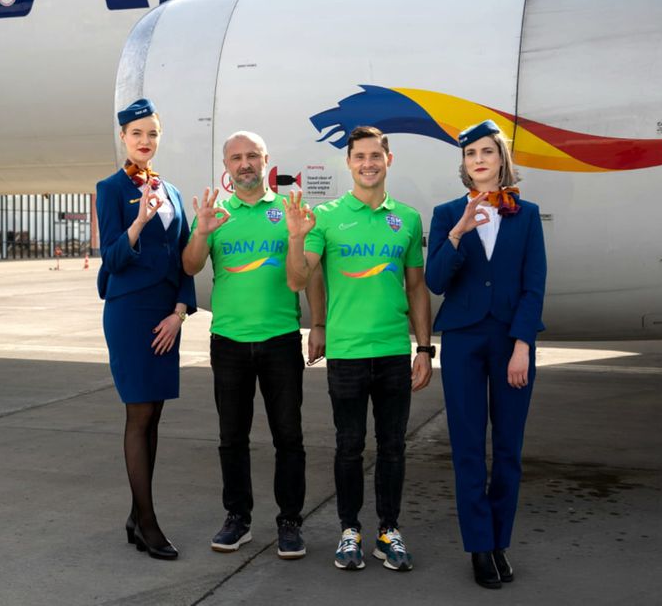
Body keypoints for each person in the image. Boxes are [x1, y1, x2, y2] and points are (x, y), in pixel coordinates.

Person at [284, 125, 432, 573]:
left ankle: (389, 531)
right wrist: (296, 237)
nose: (368, 163)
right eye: (360, 156)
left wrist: (424, 349)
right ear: (348, 163)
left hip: (392, 351)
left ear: (389, 160)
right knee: (349, 446)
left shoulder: (407, 219)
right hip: (347, 353)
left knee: (392, 447)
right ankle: (349, 531)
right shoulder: (324, 217)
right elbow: (297, 279)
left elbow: (417, 287)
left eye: (375, 155)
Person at [425, 119, 546, 590]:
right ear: (464, 163)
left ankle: (499, 542)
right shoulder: (446, 213)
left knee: (509, 449)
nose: (478, 160)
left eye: (486, 152)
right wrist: (457, 233)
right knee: (469, 448)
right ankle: (478, 545)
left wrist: (523, 345)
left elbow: (534, 285)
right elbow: (436, 281)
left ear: (501, 159)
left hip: (511, 342)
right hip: (463, 342)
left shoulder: (526, 214)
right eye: (470, 153)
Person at [182, 131, 310, 560]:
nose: (244, 164)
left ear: (265, 160)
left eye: (252, 155)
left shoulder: (288, 212)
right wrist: (201, 232)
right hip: (229, 342)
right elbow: (190, 265)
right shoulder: (216, 213)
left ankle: (290, 522)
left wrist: (296, 238)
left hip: (280, 340)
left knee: (288, 436)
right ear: (227, 166)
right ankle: (238, 518)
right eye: (236, 157)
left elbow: (300, 279)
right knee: (231, 437)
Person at [95, 97, 196, 561]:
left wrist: (180, 311)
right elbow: (112, 259)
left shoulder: (170, 191)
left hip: (165, 315)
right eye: (137, 133)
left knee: (153, 414)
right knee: (138, 414)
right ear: (123, 138)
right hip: (130, 311)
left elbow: (185, 256)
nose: (145, 141)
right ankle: (148, 522)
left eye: (152, 133)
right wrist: (137, 223)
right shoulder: (111, 189)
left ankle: (137, 518)